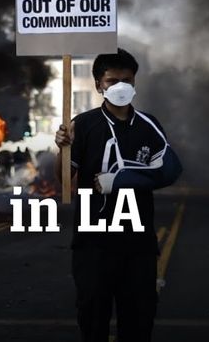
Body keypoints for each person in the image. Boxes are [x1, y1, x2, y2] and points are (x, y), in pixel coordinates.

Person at [55, 48, 182, 342]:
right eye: (112, 80)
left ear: (135, 82)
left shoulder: (149, 126)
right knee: (92, 319)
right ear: (99, 84)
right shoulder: (83, 125)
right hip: (92, 241)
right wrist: (62, 149)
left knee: (138, 322)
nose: (120, 86)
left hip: (137, 242)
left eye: (127, 79)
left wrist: (121, 180)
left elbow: (170, 170)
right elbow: (63, 181)